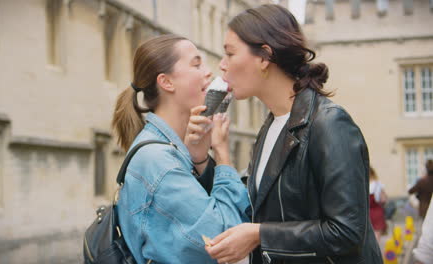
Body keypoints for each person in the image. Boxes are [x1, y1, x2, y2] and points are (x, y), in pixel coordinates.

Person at [205, 4, 382, 264]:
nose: (222, 65)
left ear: (264, 57)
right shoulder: (269, 127)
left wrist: (260, 234)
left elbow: (347, 232)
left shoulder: (330, 123)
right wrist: (213, 151)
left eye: (230, 53)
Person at [111, 34, 250, 264]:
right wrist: (223, 154)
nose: (208, 71)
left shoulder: (168, 149)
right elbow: (227, 242)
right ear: (166, 82)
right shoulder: (158, 161)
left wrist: (199, 160)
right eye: (196, 64)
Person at [368, 167, 387, 244]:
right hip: (377, 212)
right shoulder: (378, 184)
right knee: (377, 235)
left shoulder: (362, 184)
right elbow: (383, 199)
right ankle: (375, 254)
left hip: (367, 213)